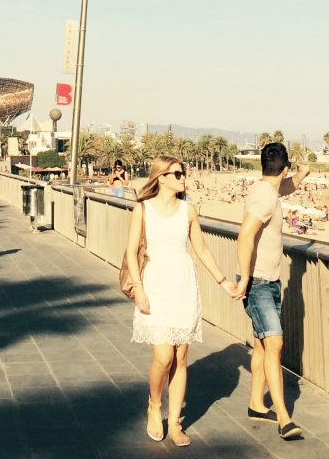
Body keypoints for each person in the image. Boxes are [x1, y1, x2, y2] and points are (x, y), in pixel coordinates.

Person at [126, 156, 239, 447]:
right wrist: (138, 288)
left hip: (183, 286)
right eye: (177, 174)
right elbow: (130, 251)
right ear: (160, 177)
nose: (183, 178)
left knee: (180, 358)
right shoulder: (143, 209)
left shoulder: (188, 211)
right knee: (163, 357)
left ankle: (175, 422)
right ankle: (154, 405)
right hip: (154, 284)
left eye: (183, 173)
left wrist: (223, 280)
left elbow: (200, 248)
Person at [235, 142, 309, 441]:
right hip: (259, 283)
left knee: (263, 345)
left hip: (269, 281)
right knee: (275, 343)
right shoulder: (265, 199)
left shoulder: (263, 189)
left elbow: (283, 188)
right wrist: (244, 280)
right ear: (284, 167)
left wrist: (302, 175)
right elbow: (245, 236)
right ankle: (283, 417)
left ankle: (256, 404)